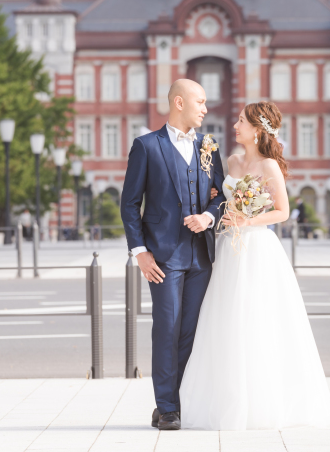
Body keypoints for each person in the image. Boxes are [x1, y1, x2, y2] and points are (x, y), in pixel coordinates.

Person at [180, 101, 330, 430]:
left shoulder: (269, 166)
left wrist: (248, 220)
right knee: (223, 318)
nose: (234, 126)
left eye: (240, 121)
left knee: (256, 318)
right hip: (227, 247)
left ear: (258, 129)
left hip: (256, 247)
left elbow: (282, 211)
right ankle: (223, 400)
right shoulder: (233, 160)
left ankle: (260, 402)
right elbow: (219, 199)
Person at [121, 79, 226, 431]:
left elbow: (221, 195)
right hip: (163, 256)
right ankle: (166, 407)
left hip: (201, 257)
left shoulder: (209, 146)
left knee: (191, 332)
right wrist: (140, 252)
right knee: (167, 329)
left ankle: (178, 401)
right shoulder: (146, 146)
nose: (206, 109)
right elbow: (130, 204)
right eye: (201, 102)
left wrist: (209, 216)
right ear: (179, 103)